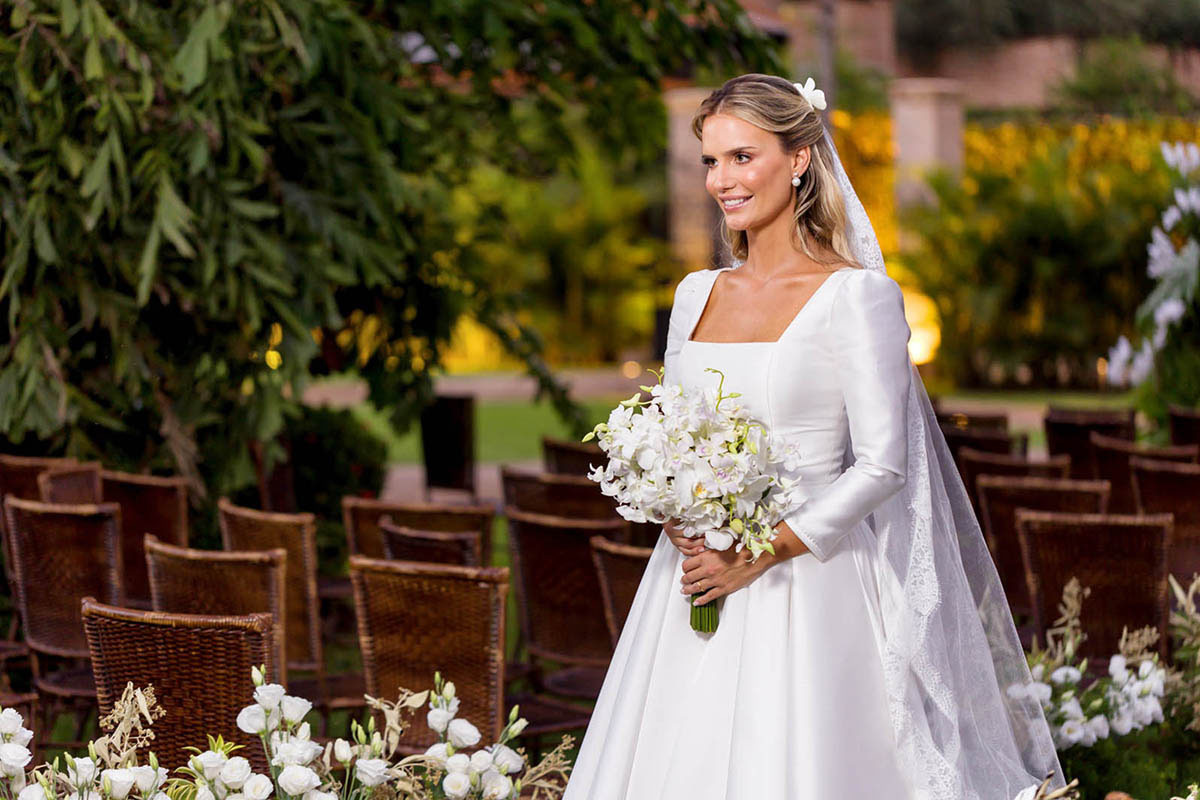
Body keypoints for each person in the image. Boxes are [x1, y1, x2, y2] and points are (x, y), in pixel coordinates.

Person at [562, 74, 1062, 800]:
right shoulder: (694, 294)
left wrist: (758, 554)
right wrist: (675, 507)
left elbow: (884, 465)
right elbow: (671, 430)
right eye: (710, 161)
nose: (721, 181)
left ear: (798, 159)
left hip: (810, 581)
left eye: (741, 157)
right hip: (694, 576)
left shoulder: (857, 298)